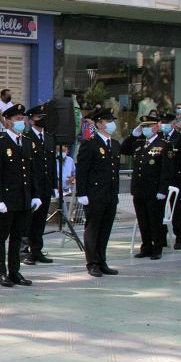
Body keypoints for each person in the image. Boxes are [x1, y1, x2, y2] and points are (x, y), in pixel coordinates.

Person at [0, 103, 41, 288]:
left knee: (18, 236)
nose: (22, 122)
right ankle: (1, 272)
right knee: (2, 235)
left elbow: (32, 171)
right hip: (7, 199)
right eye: (18, 119)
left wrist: (35, 194)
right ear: (8, 121)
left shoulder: (27, 142)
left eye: (23, 119)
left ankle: (14, 271)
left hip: (24, 198)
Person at [76, 108, 122, 277]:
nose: (112, 124)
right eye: (108, 121)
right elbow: (82, 170)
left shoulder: (115, 144)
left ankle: (102, 261)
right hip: (95, 194)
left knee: (105, 229)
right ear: (99, 124)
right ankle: (92, 262)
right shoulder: (90, 143)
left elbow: (114, 171)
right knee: (93, 228)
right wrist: (82, 193)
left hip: (110, 194)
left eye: (112, 121)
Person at [121, 111, 172, 260]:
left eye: (149, 126)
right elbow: (124, 149)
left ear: (157, 127)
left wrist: (162, 189)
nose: (145, 129)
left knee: (154, 220)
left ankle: (157, 248)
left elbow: (166, 170)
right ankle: (146, 246)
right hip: (139, 189)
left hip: (154, 190)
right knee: (143, 220)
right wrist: (133, 135)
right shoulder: (139, 143)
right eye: (143, 126)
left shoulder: (164, 145)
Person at [24, 104, 57, 265]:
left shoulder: (50, 137)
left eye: (44, 117)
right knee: (28, 221)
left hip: (46, 186)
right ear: (30, 120)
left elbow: (51, 164)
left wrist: (55, 185)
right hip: (31, 187)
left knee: (41, 220)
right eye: (39, 118)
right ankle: (26, 251)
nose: (42, 120)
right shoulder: (26, 138)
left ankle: (37, 250)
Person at [160, 110, 181, 248]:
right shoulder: (158, 137)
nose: (164, 125)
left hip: (176, 178)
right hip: (160, 179)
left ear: (173, 123)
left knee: (177, 209)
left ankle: (180, 237)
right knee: (160, 208)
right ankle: (162, 237)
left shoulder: (180, 137)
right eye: (162, 122)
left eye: (167, 123)